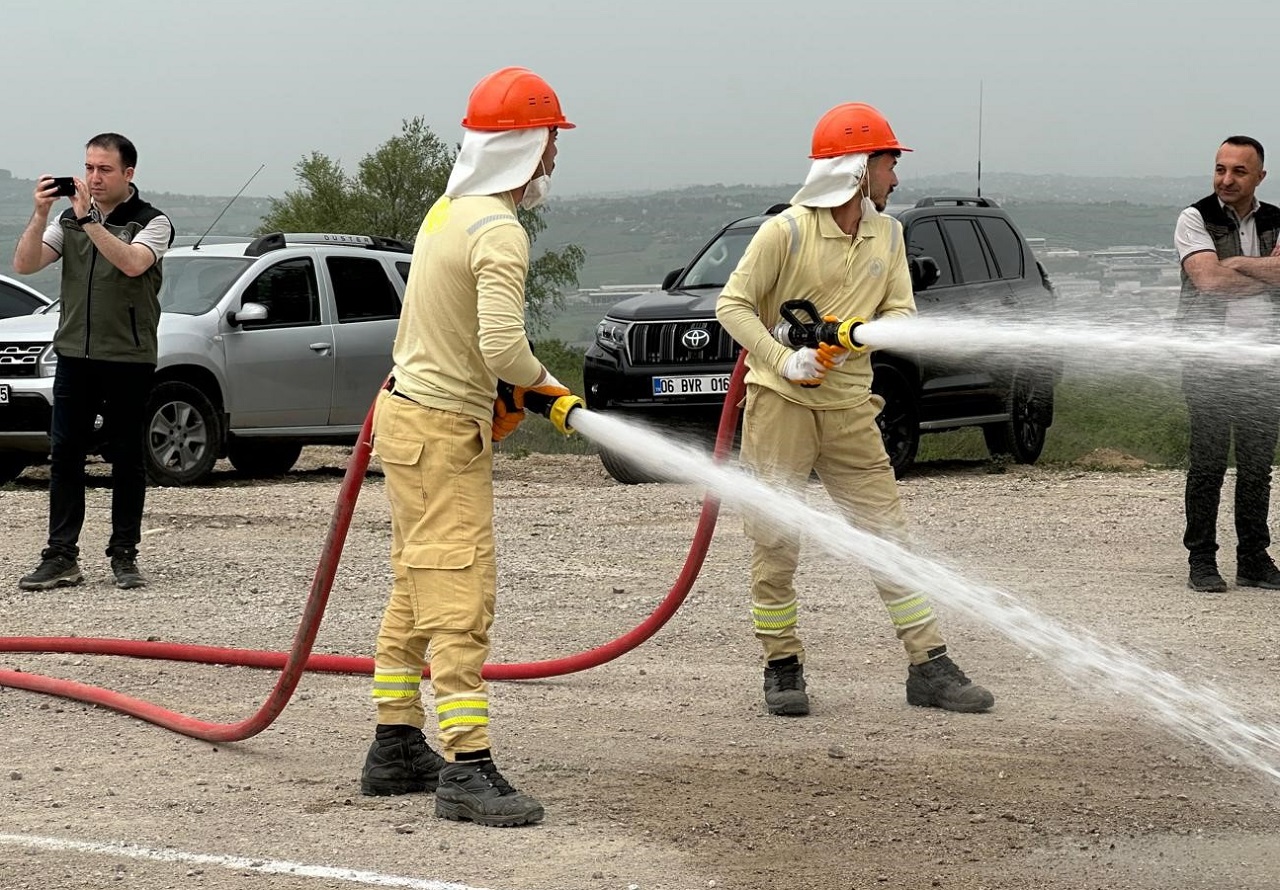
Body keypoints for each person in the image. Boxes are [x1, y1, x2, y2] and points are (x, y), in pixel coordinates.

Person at [715, 103, 994, 718]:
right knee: (775, 537)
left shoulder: (888, 235)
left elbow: (904, 315)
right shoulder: (784, 232)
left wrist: (860, 333)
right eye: (889, 164)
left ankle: (929, 665)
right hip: (781, 404)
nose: (895, 179)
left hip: (850, 408)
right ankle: (782, 666)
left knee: (888, 535)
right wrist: (782, 357)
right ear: (858, 167)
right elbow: (732, 306)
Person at [358, 66, 581, 828]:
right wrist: (549, 388)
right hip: (445, 429)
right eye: (550, 138)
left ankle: (395, 744)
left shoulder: (448, 211)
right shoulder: (498, 231)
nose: (555, 153)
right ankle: (468, 765)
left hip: (410, 415)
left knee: (418, 580)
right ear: (525, 144)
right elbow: (501, 346)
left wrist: (512, 389)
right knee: (458, 587)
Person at [12, 133, 173, 592]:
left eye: (104, 169)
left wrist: (91, 221)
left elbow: (132, 264)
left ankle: (124, 553)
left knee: (125, 456)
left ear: (128, 174)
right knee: (64, 454)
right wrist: (42, 213)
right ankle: (61, 555)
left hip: (127, 356)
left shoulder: (153, 222)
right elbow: (25, 264)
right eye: (88, 168)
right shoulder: (69, 218)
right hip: (74, 355)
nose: (93, 178)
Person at [1174, 135, 1280, 593]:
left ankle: (1253, 558)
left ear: (1259, 176)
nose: (1226, 179)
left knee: (1257, 466)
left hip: (1263, 361)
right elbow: (1209, 281)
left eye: (1238, 171)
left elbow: (1223, 272)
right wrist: (1265, 272)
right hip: (1209, 360)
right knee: (1209, 463)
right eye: (1220, 169)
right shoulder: (1195, 217)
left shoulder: (1277, 219)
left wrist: (1234, 262)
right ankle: (1202, 559)